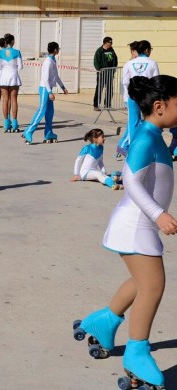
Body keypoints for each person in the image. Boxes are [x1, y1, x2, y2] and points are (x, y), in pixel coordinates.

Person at [74, 75, 177, 389]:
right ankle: (137, 353)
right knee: (153, 286)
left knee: (139, 282)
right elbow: (132, 181)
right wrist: (159, 214)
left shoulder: (155, 133)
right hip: (136, 225)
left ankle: (103, 322)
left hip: (137, 224)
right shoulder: (146, 138)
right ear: (159, 107)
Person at [116, 40, 159, 158]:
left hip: (132, 96)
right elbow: (156, 82)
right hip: (147, 97)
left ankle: (133, 150)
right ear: (146, 50)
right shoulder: (152, 63)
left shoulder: (129, 63)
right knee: (149, 122)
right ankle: (148, 147)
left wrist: (127, 95)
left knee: (133, 124)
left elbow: (125, 82)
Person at [22, 42, 68, 145]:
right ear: (55, 50)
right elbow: (45, 79)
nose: (59, 50)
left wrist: (63, 87)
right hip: (44, 89)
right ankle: (29, 131)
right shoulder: (48, 62)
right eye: (58, 49)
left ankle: (49, 133)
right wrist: (50, 92)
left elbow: (56, 76)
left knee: (50, 112)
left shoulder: (53, 60)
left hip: (49, 88)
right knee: (41, 110)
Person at [0, 34, 23, 131]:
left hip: (3, 78)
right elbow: (20, 67)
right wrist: (14, 68)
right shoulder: (17, 52)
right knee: (14, 100)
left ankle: (6, 123)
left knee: (4, 100)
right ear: (12, 41)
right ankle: (15, 122)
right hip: (13, 76)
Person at [114, 41, 139, 158]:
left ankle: (122, 147)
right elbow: (125, 83)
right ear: (133, 52)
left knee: (134, 124)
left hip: (136, 98)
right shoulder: (129, 64)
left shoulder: (138, 63)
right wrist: (126, 98)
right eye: (136, 51)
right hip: (130, 97)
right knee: (132, 125)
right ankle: (122, 147)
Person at [93, 37, 118, 111]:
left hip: (109, 73)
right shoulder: (99, 51)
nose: (111, 44)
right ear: (105, 43)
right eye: (110, 43)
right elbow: (96, 62)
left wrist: (113, 70)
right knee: (99, 89)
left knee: (110, 89)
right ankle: (96, 105)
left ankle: (107, 104)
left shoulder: (112, 50)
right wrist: (99, 69)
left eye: (111, 43)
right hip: (102, 73)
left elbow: (115, 60)